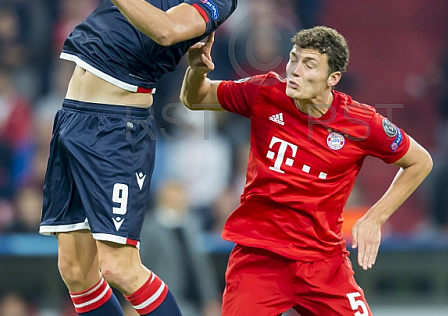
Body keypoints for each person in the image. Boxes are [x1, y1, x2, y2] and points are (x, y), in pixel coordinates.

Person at [0, 0, 264, 316]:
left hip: (119, 127)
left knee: (119, 267)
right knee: (76, 270)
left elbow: (170, 30)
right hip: (73, 119)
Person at [180, 26, 433, 315]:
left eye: (309, 64)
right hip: (259, 260)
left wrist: (375, 218)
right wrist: (197, 70)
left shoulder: (362, 123)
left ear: (333, 79)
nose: (295, 71)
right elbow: (195, 98)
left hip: (324, 264)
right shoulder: (264, 92)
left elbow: (420, 161)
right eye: (293, 59)